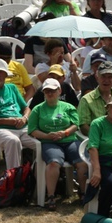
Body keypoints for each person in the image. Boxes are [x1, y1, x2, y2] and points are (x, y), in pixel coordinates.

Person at [29, 78, 86, 210]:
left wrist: (65, 132)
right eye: (47, 91)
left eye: (53, 91)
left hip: (69, 140)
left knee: (82, 162)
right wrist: (46, 136)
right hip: (49, 142)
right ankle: (51, 196)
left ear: (59, 91)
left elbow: (75, 125)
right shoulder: (37, 109)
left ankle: (83, 193)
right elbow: (32, 130)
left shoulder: (68, 107)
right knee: (54, 162)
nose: (50, 94)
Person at [78, 61, 112, 135]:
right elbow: (84, 126)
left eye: (110, 77)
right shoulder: (86, 99)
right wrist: (102, 138)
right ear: (97, 77)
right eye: (103, 76)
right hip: (98, 139)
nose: (106, 80)